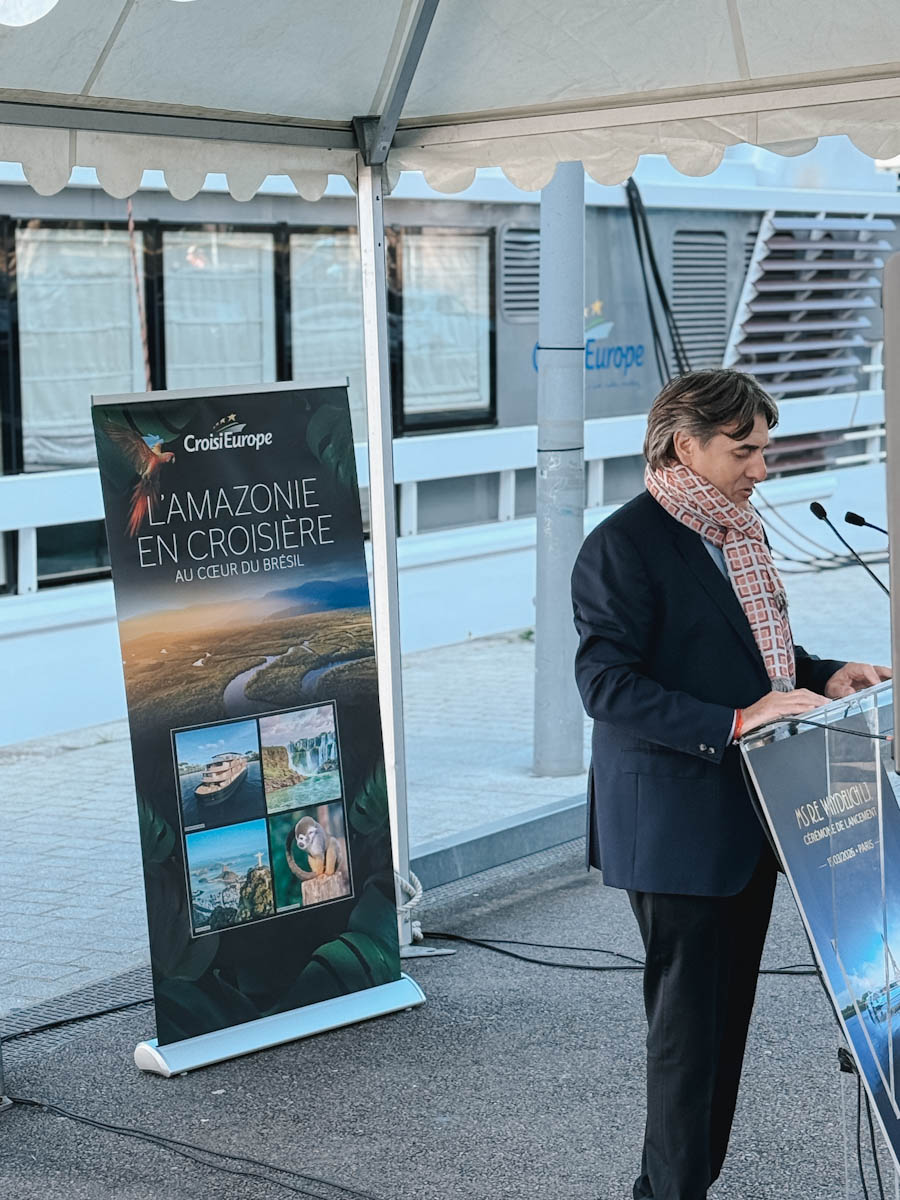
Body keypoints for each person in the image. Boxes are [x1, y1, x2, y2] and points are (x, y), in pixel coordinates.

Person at [570, 369, 891, 1200]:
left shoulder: (736, 533)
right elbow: (606, 685)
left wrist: (824, 677)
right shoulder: (623, 544)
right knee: (687, 1035)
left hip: (756, 817)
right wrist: (737, 720)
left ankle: (683, 1184)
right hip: (676, 823)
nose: (762, 468)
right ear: (688, 444)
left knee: (723, 1029)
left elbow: (759, 661)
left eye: (765, 449)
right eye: (744, 450)